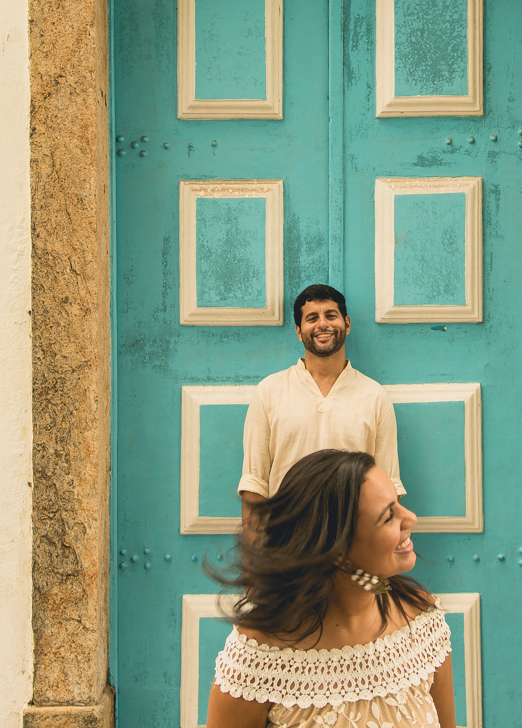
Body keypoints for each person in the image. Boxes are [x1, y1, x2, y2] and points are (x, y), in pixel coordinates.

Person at [206, 449, 455, 728]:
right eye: (388, 517)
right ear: (336, 550)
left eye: (398, 504)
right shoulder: (258, 657)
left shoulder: (423, 622)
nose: (410, 518)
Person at [238, 285, 404, 541]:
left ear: (346, 323)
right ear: (298, 331)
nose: (322, 324)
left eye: (331, 315)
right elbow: (254, 485)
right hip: (286, 544)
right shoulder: (269, 391)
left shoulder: (374, 396)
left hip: (353, 544)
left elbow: (389, 488)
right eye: (312, 318)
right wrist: (252, 572)